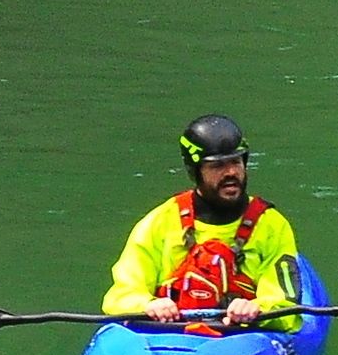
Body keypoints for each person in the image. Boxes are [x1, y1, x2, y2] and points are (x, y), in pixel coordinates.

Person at [101, 114, 305, 331]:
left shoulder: (272, 225)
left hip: (242, 334)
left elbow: (285, 308)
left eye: (236, 162)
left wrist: (258, 308)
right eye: (217, 166)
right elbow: (122, 295)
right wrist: (147, 305)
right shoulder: (160, 222)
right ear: (195, 170)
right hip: (169, 332)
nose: (231, 172)